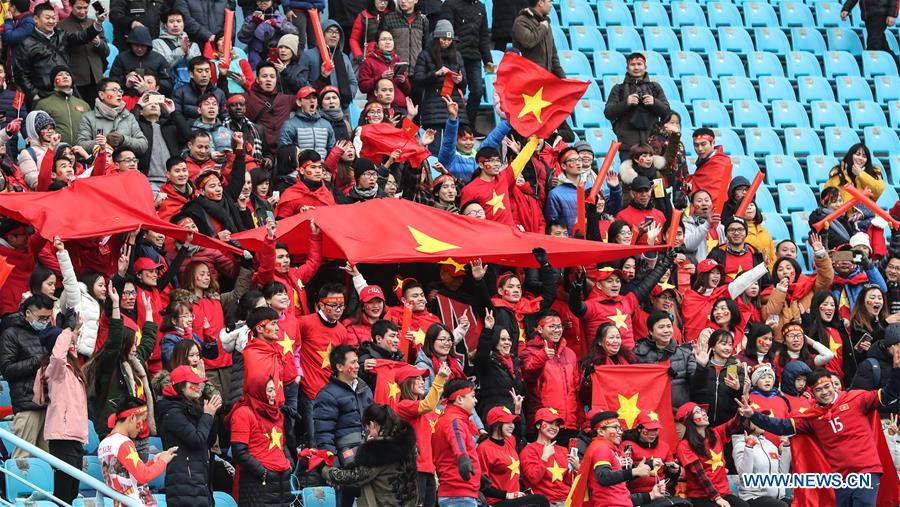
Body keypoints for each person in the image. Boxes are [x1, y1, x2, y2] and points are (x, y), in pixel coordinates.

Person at [737, 351, 900, 507]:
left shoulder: (856, 399)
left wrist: (897, 370)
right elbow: (781, 426)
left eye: (827, 386)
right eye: (819, 390)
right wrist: (753, 415)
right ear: (813, 394)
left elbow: (888, 395)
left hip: (866, 471)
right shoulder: (812, 417)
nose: (825, 392)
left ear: (834, 385)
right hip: (840, 479)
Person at [322, 404, 419, 507]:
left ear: (373, 424)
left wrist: (325, 470)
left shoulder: (377, 451)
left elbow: (353, 477)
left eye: (367, 427)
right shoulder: (408, 445)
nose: (368, 432)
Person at [313, 344, 373, 507]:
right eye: (353, 362)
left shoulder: (364, 388)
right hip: (343, 464)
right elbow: (323, 436)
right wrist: (333, 470)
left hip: (366, 462)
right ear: (339, 367)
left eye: (357, 362)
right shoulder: (327, 395)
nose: (357, 366)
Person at [34, 321, 87, 503]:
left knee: (72, 493)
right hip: (62, 436)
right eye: (65, 340)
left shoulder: (71, 368)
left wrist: (75, 331)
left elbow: (70, 352)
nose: (70, 343)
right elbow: (58, 356)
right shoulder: (55, 369)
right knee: (63, 494)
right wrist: (67, 331)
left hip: (75, 436)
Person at [569, 410, 667, 506]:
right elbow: (604, 477)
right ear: (601, 431)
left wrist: (651, 495)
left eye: (620, 428)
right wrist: (634, 471)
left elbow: (619, 495)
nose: (620, 432)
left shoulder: (609, 449)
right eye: (615, 428)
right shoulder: (601, 448)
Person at [156, 365, 222, 507]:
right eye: (193, 383)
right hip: (184, 484)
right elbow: (196, 440)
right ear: (181, 386)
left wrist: (213, 415)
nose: (198, 387)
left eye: (199, 383)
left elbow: (209, 441)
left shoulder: (194, 408)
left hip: (199, 481)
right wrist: (207, 416)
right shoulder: (172, 412)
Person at [14, 2, 105, 102]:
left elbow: (81, 36)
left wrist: (98, 22)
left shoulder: (61, 35)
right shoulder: (26, 43)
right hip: (43, 94)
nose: (51, 21)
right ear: (36, 19)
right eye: (47, 18)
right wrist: (34, 94)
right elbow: (20, 73)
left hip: (66, 90)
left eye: (53, 18)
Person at [0, 294, 55, 457]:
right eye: (41, 318)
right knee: (22, 459)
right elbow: (7, 370)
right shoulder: (11, 334)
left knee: (49, 460)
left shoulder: (49, 333)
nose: (44, 322)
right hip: (27, 405)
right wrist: (37, 361)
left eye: (48, 318)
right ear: (28, 313)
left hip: (50, 403)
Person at [228, 372, 294, 506]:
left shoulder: (276, 414)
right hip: (257, 485)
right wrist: (264, 473)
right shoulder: (243, 413)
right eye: (269, 390)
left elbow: (283, 445)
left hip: (282, 483)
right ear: (257, 390)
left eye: (274, 390)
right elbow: (239, 452)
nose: (274, 394)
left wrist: (289, 465)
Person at [98, 397, 177, 507]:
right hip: (136, 502)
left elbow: (129, 475)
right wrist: (162, 462)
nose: (143, 427)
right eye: (143, 421)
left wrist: (154, 461)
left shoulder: (104, 444)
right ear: (132, 417)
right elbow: (143, 476)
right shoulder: (123, 443)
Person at [521, 310, 580, 441]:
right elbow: (529, 374)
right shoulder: (530, 352)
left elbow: (576, 389)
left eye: (559, 326)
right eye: (551, 326)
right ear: (540, 329)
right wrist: (542, 356)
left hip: (570, 424)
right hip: (544, 423)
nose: (556, 330)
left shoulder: (570, 354)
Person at [676, 402, 748, 507]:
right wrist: (717, 497)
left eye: (702, 410)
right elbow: (700, 475)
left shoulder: (715, 433)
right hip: (701, 496)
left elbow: (733, 425)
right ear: (690, 420)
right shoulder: (684, 446)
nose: (704, 413)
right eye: (698, 412)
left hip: (723, 493)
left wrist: (741, 413)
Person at [604, 53, 669, 159]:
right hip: (627, 146)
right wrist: (626, 103)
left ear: (645, 67)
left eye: (639, 64)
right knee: (628, 170)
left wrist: (654, 102)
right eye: (633, 64)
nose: (636, 68)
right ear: (627, 68)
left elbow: (666, 112)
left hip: (652, 145)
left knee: (652, 170)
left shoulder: (655, 87)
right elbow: (608, 113)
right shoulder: (618, 89)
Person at [438, 0, 492, 126]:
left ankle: (468, 126)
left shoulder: (480, 7)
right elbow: (445, 33)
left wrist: (488, 60)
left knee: (477, 92)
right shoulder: (450, 4)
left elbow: (484, 37)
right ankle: (455, 125)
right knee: (457, 93)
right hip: (455, 57)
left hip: (474, 57)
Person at [432, 378, 482, 507]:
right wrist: (463, 459)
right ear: (459, 399)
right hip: (458, 494)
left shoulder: (449, 418)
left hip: (457, 493)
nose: (476, 401)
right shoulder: (454, 420)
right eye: (473, 396)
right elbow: (457, 442)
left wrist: (478, 476)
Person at [633, 311, 697, 411]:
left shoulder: (686, 353)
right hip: (650, 413)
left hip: (679, 413)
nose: (666, 330)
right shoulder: (637, 354)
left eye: (669, 326)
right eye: (661, 327)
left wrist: (701, 366)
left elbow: (696, 383)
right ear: (650, 331)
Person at [520, 408, 579, 505]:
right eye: (550, 423)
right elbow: (533, 479)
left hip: (568, 499)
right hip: (546, 502)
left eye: (557, 424)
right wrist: (544, 458)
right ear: (538, 425)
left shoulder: (563, 450)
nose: (554, 427)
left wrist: (576, 468)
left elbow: (569, 482)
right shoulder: (529, 450)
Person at [690, 329, 748, 427]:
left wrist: (738, 388)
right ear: (713, 346)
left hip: (728, 424)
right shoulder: (702, 365)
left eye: (730, 345)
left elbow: (741, 397)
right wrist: (701, 367)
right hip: (704, 422)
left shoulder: (736, 368)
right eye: (723, 344)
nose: (728, 348)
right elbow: (693, 389)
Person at [76, 78, 149, 156]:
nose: (119, 94)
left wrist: (123, 140)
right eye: (114, 90)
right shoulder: (88, 117)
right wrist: (105, 141)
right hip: (101, 162)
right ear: (101, 95)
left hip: (125, 162)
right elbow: (80, 145)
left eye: (120, 91)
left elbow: (143, 145)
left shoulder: (129, 117)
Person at [732, 419, 791, 507]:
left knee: (800, 503)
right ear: (746, 423)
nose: (761, 422)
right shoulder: (740, 445)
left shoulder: (770, 444)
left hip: (777, 497)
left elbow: (783, 474)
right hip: (754, 497)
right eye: (756, 419)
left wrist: (786, 448)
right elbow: (744, 475)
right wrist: (749, 447)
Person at [298, 20, 357, 107]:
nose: (334, 35)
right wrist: (312, 97)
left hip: (342, 108)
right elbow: (302, 82)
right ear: (321, 34)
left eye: (337, 32)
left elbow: (353, 82)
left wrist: (347, 96)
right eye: (330, 31)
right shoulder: (308, 55)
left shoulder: (344, 57)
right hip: (316, 107)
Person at [109, 26, 173, 96]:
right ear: (131, 44)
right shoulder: (121, 58)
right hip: (127, 98)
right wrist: (125, 81)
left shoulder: (159, 59)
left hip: (152, 98)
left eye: (143, 46)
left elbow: (169, 84)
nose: (139, 49)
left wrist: (152, 83)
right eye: (136, 45)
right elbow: (112, 83)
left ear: (148, 45)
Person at [358, 31, 412, 113]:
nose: (387, 42)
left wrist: (403, 81)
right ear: (377, 43)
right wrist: (381, 77)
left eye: (390, 39)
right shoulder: (369, 61)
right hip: (378, 107)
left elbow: (407, 91)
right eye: (384, 39)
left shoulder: (397, 60)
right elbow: (363, 87)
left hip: (399, 106)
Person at [279, 86, 336, 160]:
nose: (312, 101)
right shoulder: (290, 125)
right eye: (307, 98)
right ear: (299, 102)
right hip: (300, 167)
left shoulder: (326, 124)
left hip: (323, 166)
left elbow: (332, 150)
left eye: (314, 98)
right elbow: (284, 152)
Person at [512, 0, 564, 78]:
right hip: (528, 79)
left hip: (545, 79)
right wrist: (543, 28)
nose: (551, 5)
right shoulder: (521, 22)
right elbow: (528, 42)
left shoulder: (546, 24)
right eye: (549, 1)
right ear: (540, 3)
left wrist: (563, 79)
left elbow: (553, 57)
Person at [173, 57, 226, 122]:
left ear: (210, 74)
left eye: (207, 71)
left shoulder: (219, 93)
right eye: (200, 71)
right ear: (191, 74)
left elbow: (224, 116)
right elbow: (176, 117)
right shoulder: (180, 93)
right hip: (189, 127)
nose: (204, 75)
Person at [378, 0, 429, 67]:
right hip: (395, 67)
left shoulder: (422, 20)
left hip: (417, 68)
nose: (403, 1)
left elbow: (426, 46)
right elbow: (381, 46)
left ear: (416, 1)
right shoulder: (388, 18)